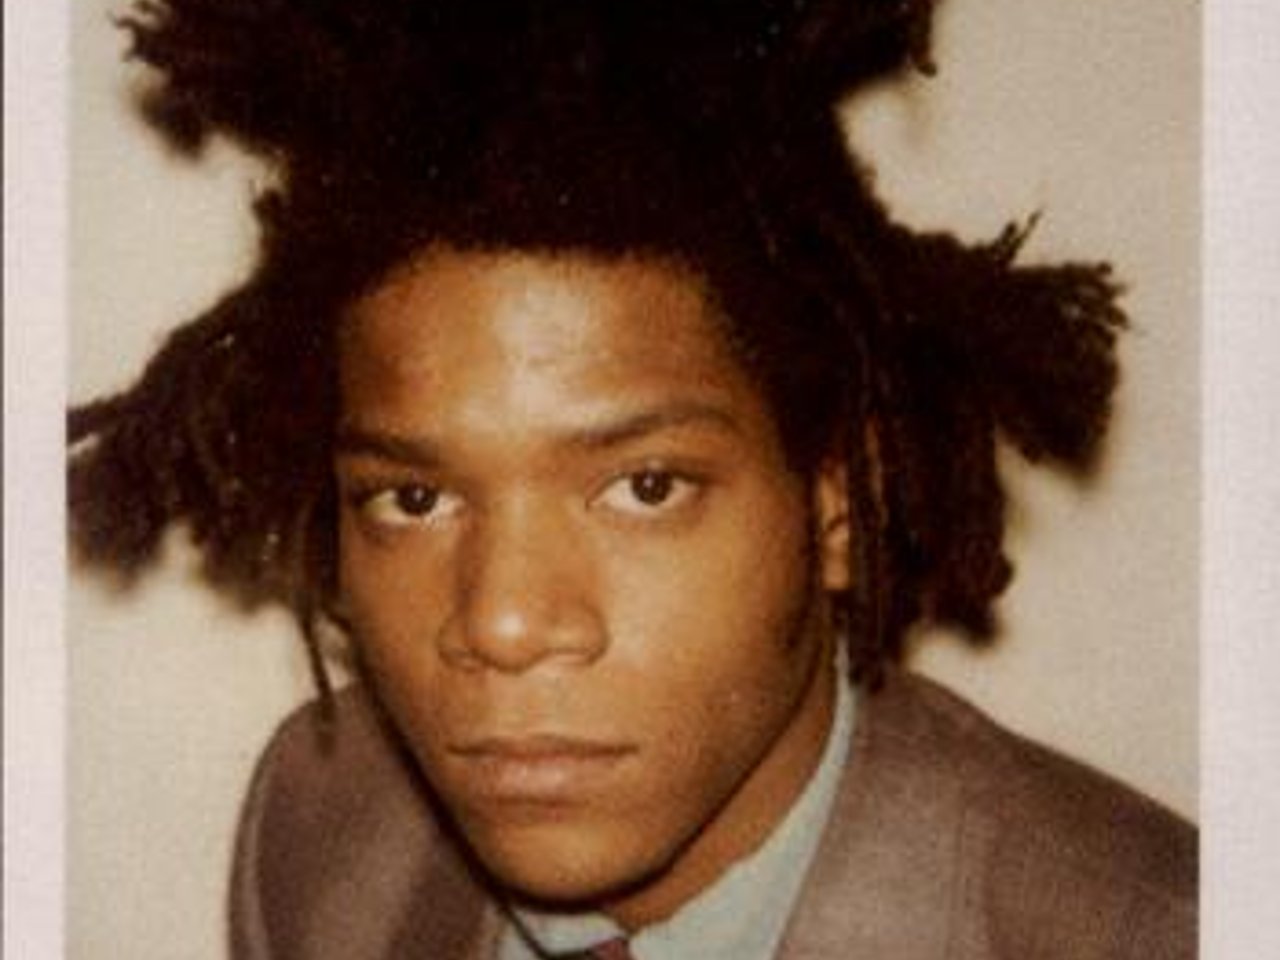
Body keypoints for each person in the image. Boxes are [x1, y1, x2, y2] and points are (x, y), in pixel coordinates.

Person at [68, 1, 1196, 957]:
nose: (505, 623)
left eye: (644, 487)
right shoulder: (319, 829)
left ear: (836, 504)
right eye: (413, 499)